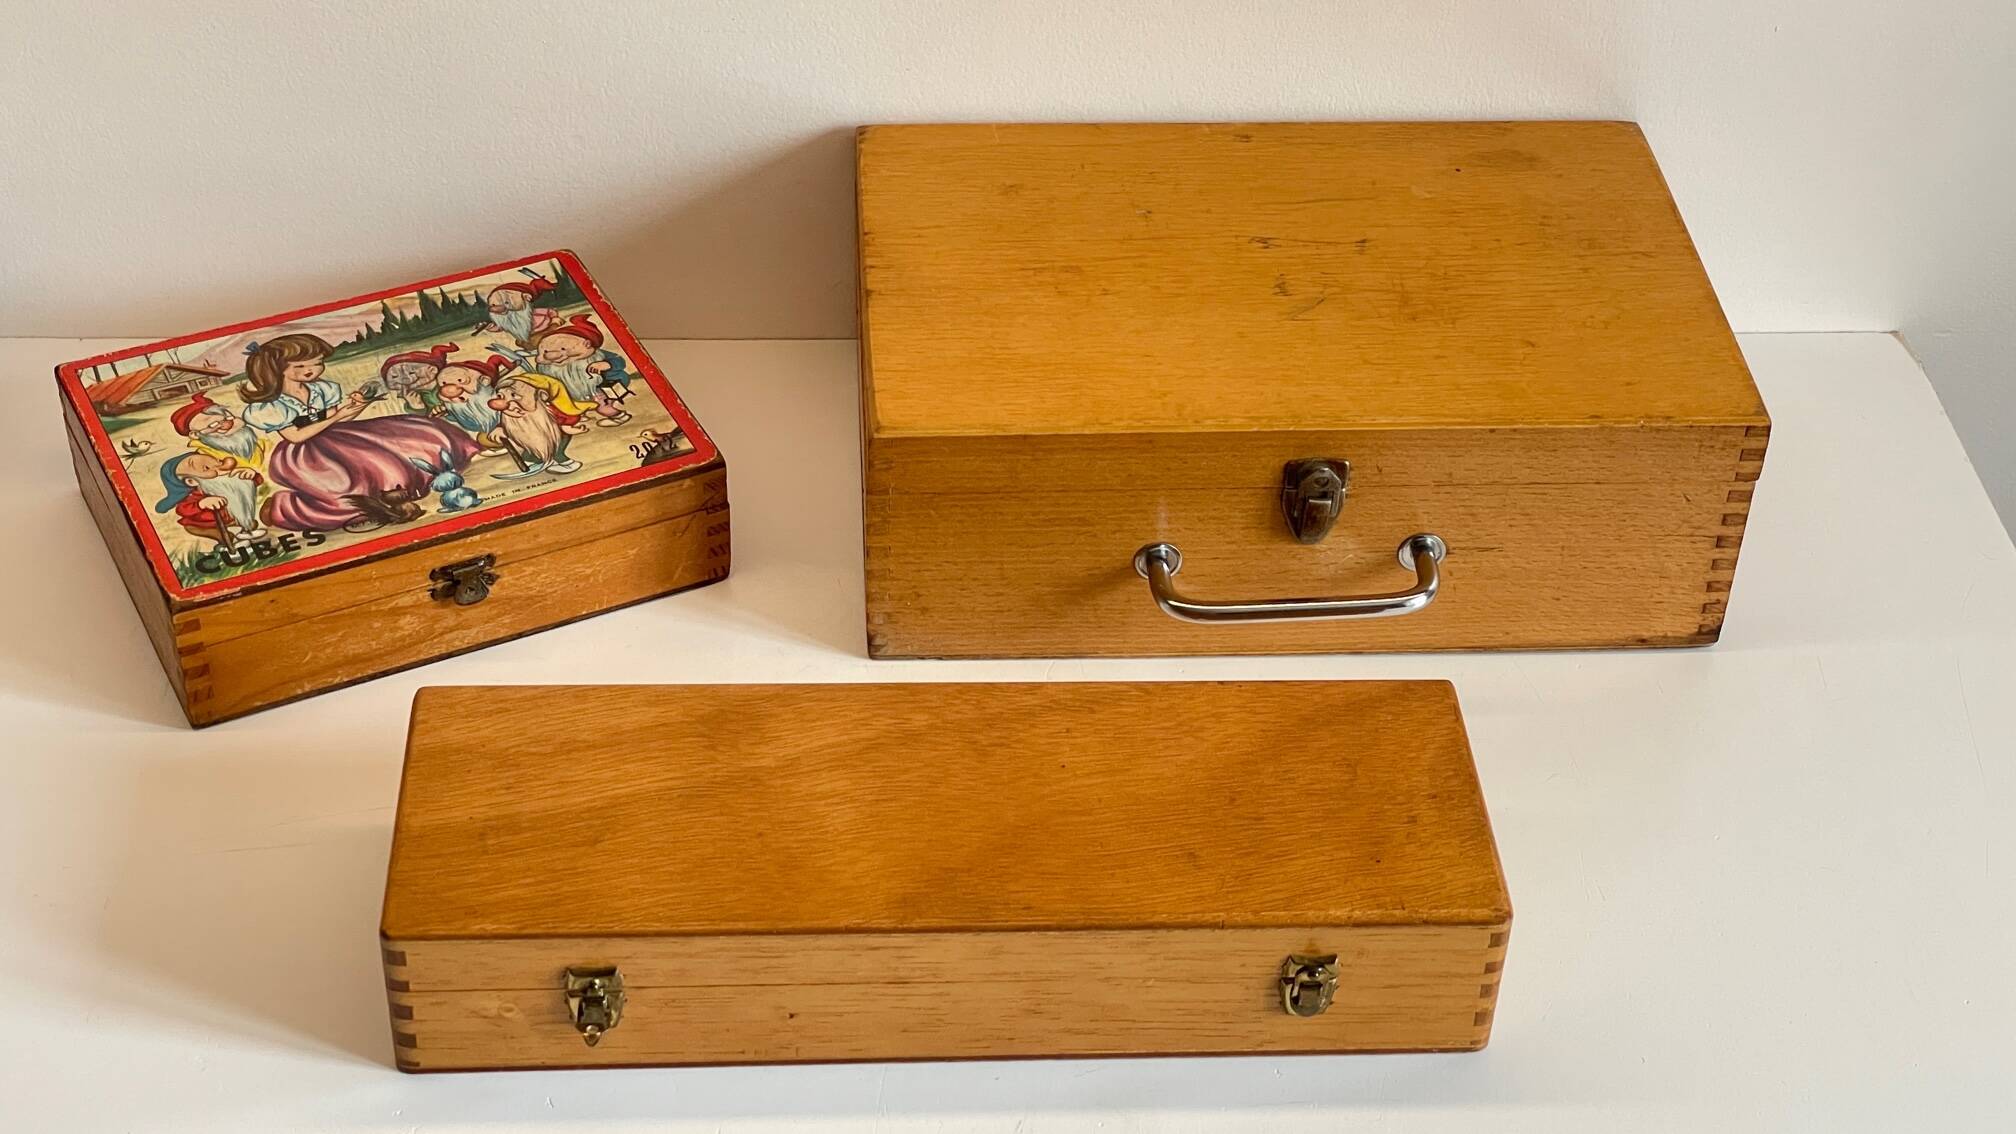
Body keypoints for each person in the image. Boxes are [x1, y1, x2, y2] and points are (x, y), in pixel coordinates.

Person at [237, 334, 479, 532]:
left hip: (340, 436)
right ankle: (283, 508)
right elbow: (296, 436)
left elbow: (334, 416)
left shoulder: (321, 389)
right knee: (347, 491)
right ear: (276, 369)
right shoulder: (271, 406)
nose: (313, 370)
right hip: (307, 456)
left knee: (402, 441)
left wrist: (355, 407)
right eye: (301, 366)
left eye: (317, 362)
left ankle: (403, 489)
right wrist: (338, 416)